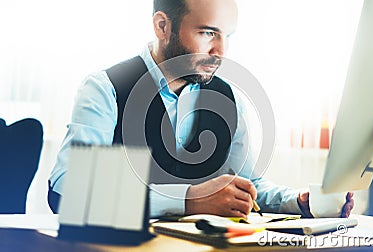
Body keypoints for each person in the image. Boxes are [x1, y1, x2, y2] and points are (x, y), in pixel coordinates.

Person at [48, 0, 354, 219]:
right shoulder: (105, 88)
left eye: (226, 36)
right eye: (208, 33)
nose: (221, 52)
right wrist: (190, 200)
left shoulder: (229, 98)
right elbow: (67, 189)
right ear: (162, 26)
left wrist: (297, 201)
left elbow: (247, 183)